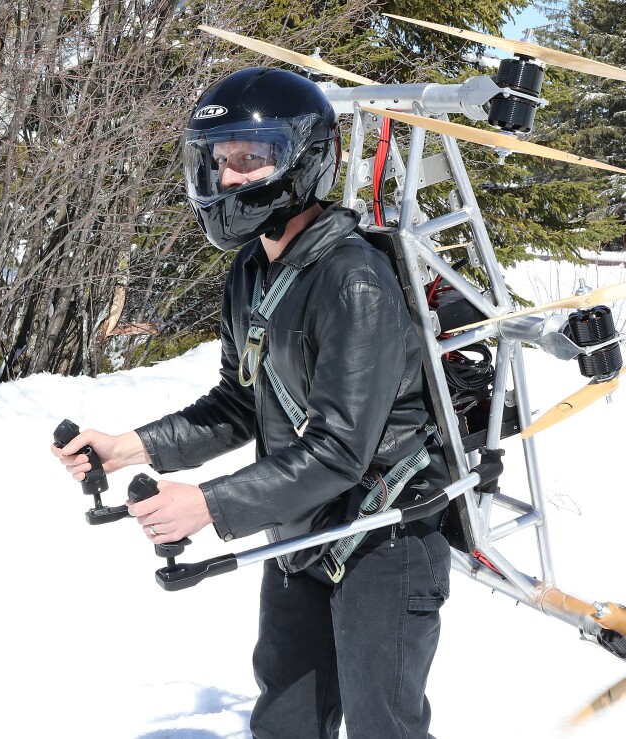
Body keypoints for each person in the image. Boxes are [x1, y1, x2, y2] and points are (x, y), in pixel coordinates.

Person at [50, 67, 451, 739]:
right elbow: (240, 403)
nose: (231, 178)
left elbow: (340, 450)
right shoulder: (250, 271)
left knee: (384, 725)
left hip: (386, 534)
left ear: (303, 160)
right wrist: (127, 447)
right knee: (286, 720)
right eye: (221, 159)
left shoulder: (354, 281)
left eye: (250, 158)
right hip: (299, 529)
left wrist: (208, 504)